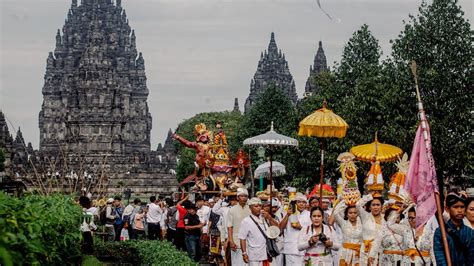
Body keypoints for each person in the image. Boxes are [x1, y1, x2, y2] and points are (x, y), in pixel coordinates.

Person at [434, 193, 474, 266]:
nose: (459, 210)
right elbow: (440, 258)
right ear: (447, 209)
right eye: (455, 207)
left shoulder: (470, 233)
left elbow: (470, 259)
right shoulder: (440, 232)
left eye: (462, 207)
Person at [239, 197, 278, 266]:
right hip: (255, 255)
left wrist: (269, 217)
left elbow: (277, 228)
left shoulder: (265, 217)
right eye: (256, 206)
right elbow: (242, 238)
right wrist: (244, 253)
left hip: (268, 252)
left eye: (260, 206)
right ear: (250, 208)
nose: (259, 208)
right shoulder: (246, 221)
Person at [280, 192, 312, 265]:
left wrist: (301, 227)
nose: (301, 204)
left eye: (303, 202)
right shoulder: (287, 213)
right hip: (290, 249)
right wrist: (288, 215)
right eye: (299, 202)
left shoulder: (309, 214)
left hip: (303, 248)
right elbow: (280, 228)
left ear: (306, 204)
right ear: (295, 203)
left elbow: (311, 231)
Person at [355, 194, 385, 265]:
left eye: (378, 205)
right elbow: (357, 205)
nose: (376, 207)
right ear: (369, 207)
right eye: (373, 205)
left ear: (381, 206)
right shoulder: (365, 216)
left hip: (381, 251)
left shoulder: (385, 219)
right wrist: (370, 196)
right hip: (366, 250)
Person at [227, 187, 251, 266]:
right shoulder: (232, 210)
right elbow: (230, 227)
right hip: (236, 240)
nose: (244, 198)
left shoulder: (251, 209)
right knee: (237, 262)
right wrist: (231, 241)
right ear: (237, 197)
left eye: (245, 196)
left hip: (250, 240)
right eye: (242, 196)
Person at [196, 196, 211, 261]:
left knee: (206, 243)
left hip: (206, 228)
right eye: (198, 201)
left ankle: (206, 255)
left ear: (203, 201)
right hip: (198, 229)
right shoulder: (196, 210)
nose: (199, 203)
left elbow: (210, 219)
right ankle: (200, 256)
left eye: (201, 201)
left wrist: (208, 228)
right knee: (199, 243)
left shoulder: (208, 209)